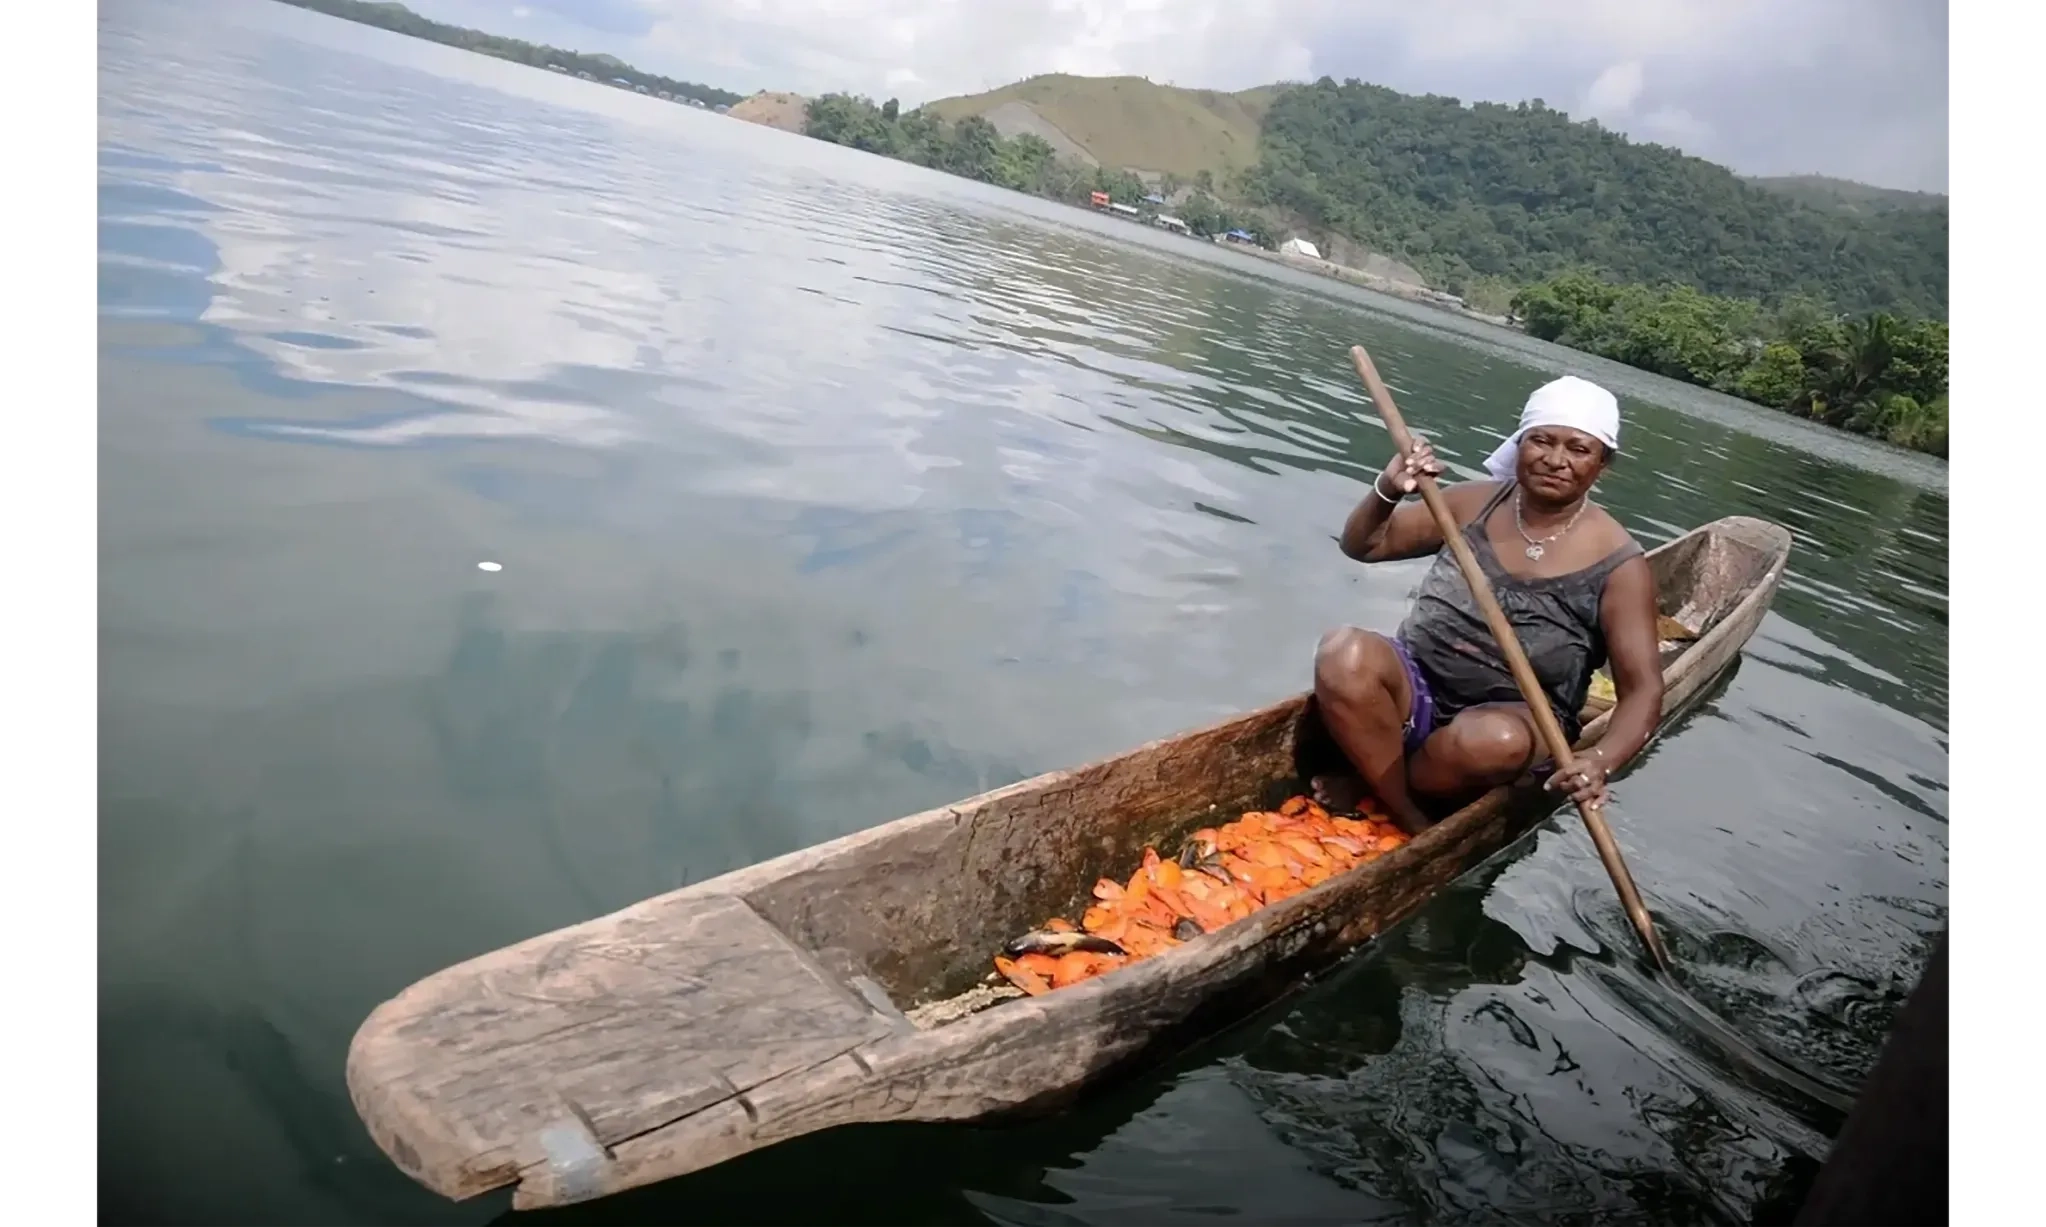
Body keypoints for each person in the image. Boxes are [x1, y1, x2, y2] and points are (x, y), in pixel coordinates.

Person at [1311, 375, 1664, 833]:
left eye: (1578, 449)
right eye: (1541, 441)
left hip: (1515, 722)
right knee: (1344, 652)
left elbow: (1643, 691)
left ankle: (1376, 782)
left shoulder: (1619, 563)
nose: (1556, 460)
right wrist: (1388, 489)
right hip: (1415, 692)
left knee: (1492, 741)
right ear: (1519, 445)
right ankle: (1404, 810)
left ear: (1603, 464)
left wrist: (1599, 761)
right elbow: (1365, 546)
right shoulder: (1472, 502)